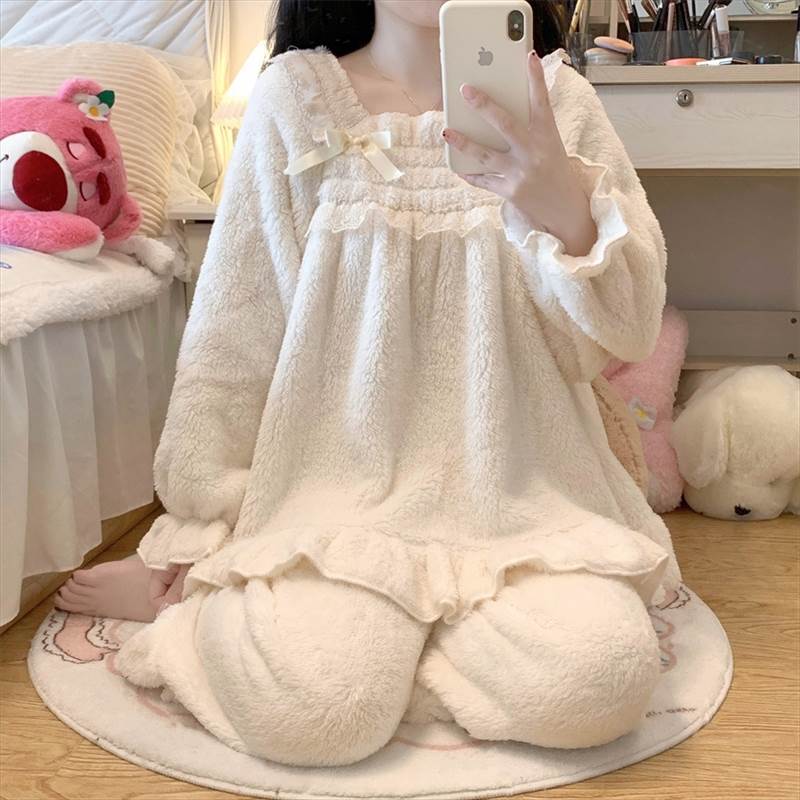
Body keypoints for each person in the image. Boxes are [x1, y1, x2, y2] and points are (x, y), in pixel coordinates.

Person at [55, 0, 682, 768]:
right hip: (332, 502)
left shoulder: (558, 101)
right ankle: (357, 646)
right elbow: (237, 329)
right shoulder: (295, 98)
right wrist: (197, 525)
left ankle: (396, 654)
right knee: (314, 710)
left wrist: (562, 204)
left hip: (525, 501)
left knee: (602, 680)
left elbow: (625, 331)